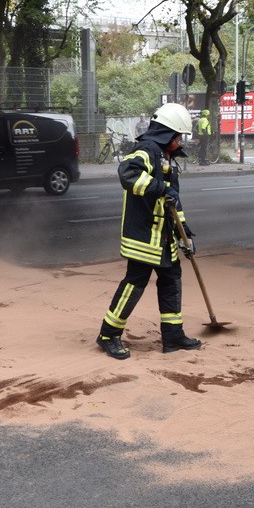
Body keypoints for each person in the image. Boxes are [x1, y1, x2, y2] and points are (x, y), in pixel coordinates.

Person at [96, 102, 202, 359]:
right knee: (135, 283)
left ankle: (173, 336)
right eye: (178, 137)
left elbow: (175, 204)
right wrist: (161, 188)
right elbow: (128, 174)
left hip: (164, 237)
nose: (180, 142)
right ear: (168, 134)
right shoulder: (146, 150)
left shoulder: (167, 158)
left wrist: (184, 234)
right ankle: (108, 335)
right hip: (143, 237)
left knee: (171, 281)